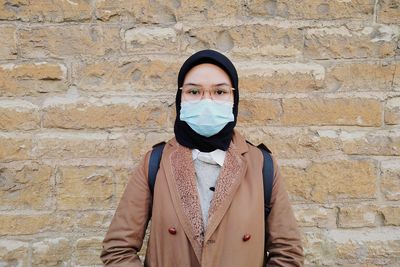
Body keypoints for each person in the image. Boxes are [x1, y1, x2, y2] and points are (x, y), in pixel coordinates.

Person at [100, 50, 304, 266]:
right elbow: (117, 250)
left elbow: (288, 255)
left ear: (234, 99)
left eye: (220, 92)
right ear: (180, 99)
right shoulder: (156, 162)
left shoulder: (262, 165)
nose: (207, 101)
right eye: (194, 91)